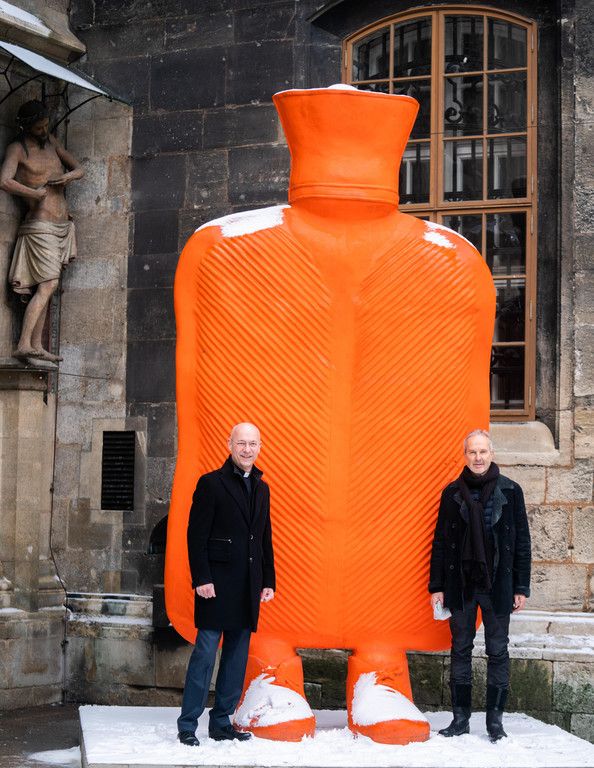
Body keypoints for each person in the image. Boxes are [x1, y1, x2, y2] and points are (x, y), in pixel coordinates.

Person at [428, 429, 531, 742]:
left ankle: (494, 723)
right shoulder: (452, 493)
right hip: (461, 585)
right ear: (465, 455)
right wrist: (437, 586)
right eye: (472, 452)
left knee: (498, 651)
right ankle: (460, 719)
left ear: (491, 454)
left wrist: (521, 587)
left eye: (483, 451)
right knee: (460, 649)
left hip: (497, 585)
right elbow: (440, 542)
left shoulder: (511, 491)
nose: (477, 457)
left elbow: (522, 542)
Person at [177, 422, 275, 746]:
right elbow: (196, 536)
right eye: (241, 443)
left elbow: (263, 537)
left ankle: (221, 723)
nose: (247, 449)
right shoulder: (211, 484)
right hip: (215, 585)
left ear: (259, 447)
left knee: (236, 658)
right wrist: (202, 578)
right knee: (205, 655)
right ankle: (187, 725)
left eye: (252, 444)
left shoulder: (262, 488)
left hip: (247, 585)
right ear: (229, 444)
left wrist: (268, 579)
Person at [0, 100, 84, 362]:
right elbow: (4, 180)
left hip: (62, 226)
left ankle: (36, 344)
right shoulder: (17, 149)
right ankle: (23, 343)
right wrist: (33, 194)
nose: (44, 131)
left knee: (48, 285)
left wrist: (67, 177)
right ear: (26, 127)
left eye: (46, 125)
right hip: (40, 226)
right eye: (39, 128)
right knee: (49, 284)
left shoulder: (52, 142)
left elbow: (79, 168)